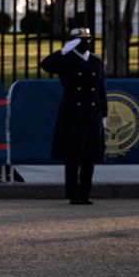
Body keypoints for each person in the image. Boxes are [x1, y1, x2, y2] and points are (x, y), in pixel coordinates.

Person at [41, 27, 106, 205]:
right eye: (80, 40)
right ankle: (73, 193)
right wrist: (63, 51)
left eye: (88, 40)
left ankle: (85, 193)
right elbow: (46, 65)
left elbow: (100, 89)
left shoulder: (96, 61)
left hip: (93, 113)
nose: (85, 43)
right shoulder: (66, 60)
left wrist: (104, 115)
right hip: (73, 113)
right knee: (73, 155)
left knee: (89, 156)